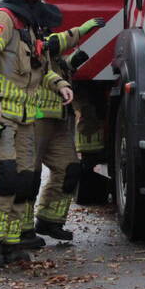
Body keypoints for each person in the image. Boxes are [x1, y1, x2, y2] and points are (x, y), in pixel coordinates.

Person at [0, 0, 73, 267]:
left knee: (24, 180)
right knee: (5, 178)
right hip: (0, 115)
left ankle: (13, 242)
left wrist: (60, 85)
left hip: (26, 116)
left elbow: (38, 68)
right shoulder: (3, 18)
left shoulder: (26, 24)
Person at [27, 16, 105, 244]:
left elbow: (56, 70)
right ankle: (22, 231)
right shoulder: (37, 45)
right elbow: (58, 42)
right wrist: (82, 29)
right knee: (29, 177)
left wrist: (70, 66)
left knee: (70, 169)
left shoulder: (53, 57)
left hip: (59, 121)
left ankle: (50, 221)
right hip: (37, 120)